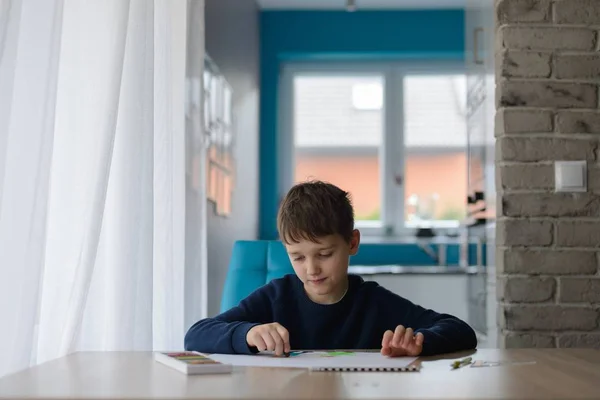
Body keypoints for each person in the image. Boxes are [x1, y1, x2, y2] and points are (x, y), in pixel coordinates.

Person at [185, 180, 477, 357]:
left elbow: (460, 330)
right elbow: (197, 334)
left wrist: (418, 343)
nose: (311, 268)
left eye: (324, 254)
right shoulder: (276, 296)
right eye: (297, 257)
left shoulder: (373, 302)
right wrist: (247, 334)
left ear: (352, 242)